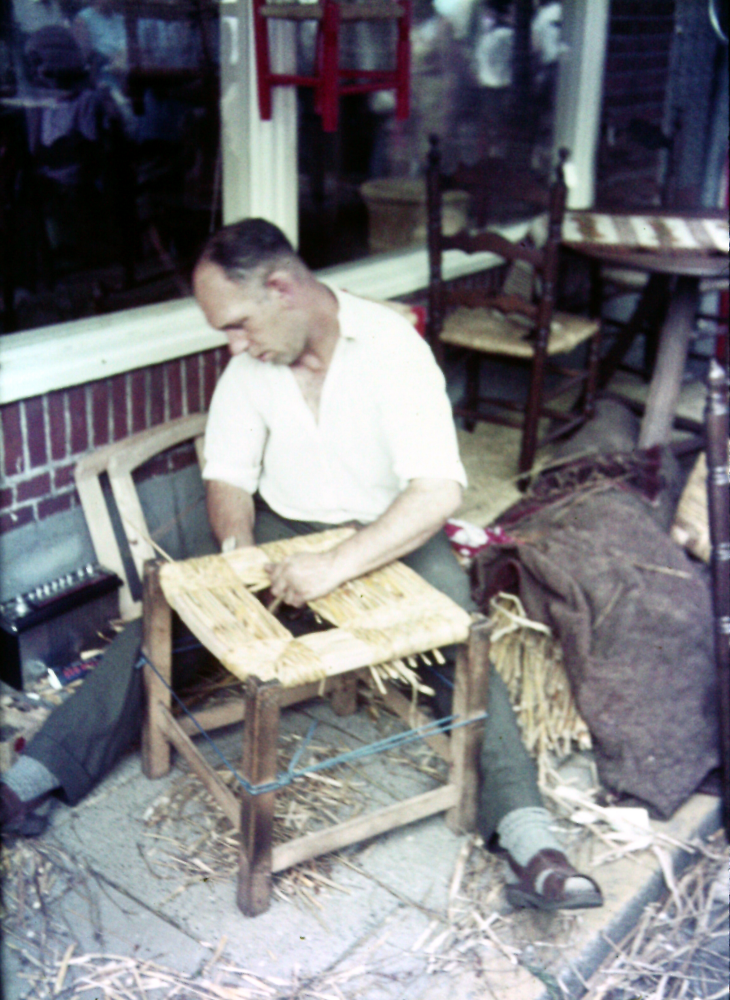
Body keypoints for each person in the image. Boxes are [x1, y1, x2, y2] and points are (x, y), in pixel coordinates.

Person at [1, 218, 602, 912]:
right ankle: (36, 776)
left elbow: (437, 490)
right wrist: (236, 551)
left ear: (282, 288)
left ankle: (532, 845)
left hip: (390, 532)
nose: (233, 343)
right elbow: (227, 472)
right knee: (166, 624)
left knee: (458, 642)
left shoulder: (391, 349)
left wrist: (337, 565)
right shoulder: (251, 368)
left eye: (236, 324)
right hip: (285, 529)